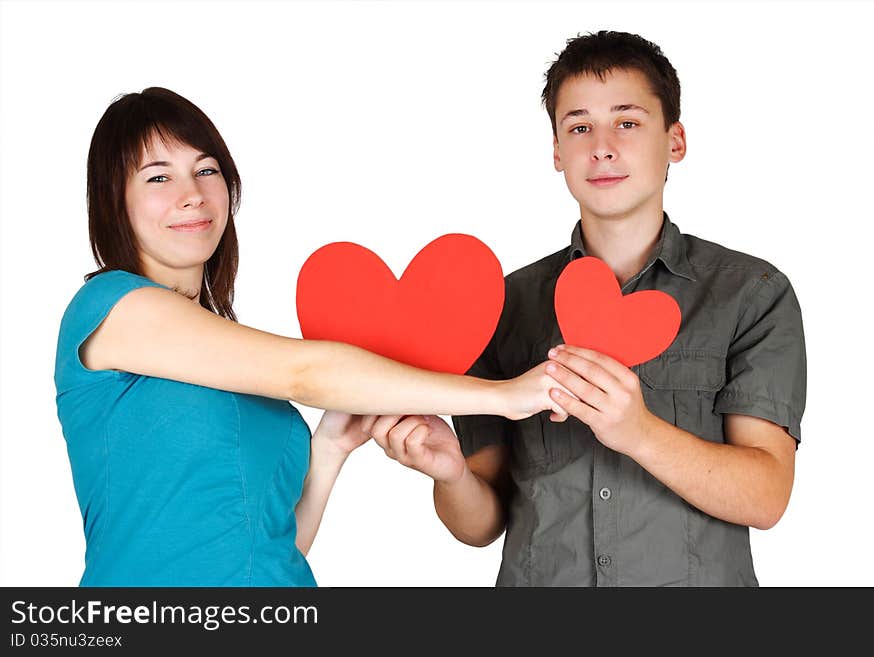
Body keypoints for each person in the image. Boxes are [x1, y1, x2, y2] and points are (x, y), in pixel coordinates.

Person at [54, 87, 568, 587]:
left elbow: (271, 549)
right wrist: (505, 396)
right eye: (158, 177)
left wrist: (329, 448)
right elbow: (303, 373)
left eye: (206, 170)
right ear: (114, 200)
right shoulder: (111, 309)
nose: (191, 195)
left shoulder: (223, 351)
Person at [363, 31, 807, 586]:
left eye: (627, 122)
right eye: (579, 127)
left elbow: (766, 497)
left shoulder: (752, 295)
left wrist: (639, 432)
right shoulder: (505, 305)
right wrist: (450, 475)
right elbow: (479, 525)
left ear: (675, 140)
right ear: (556, 151)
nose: (602, 147)